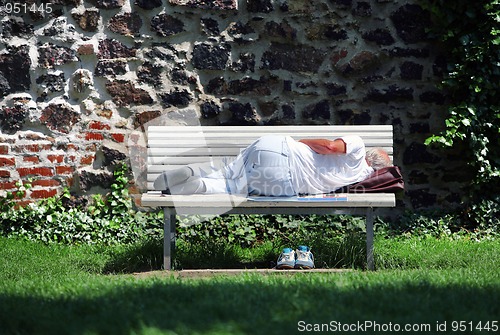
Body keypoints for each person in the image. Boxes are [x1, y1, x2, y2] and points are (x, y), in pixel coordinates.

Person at [153, 134, 392, 197]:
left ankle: (193, 171)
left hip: (276, 148)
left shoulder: (358, 147)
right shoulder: (359, 180)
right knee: (233, 188)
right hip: (284, 183)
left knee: (227, 170)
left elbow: (329, 147)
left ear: (370, 154)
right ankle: (200, 185)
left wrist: (302, 142)